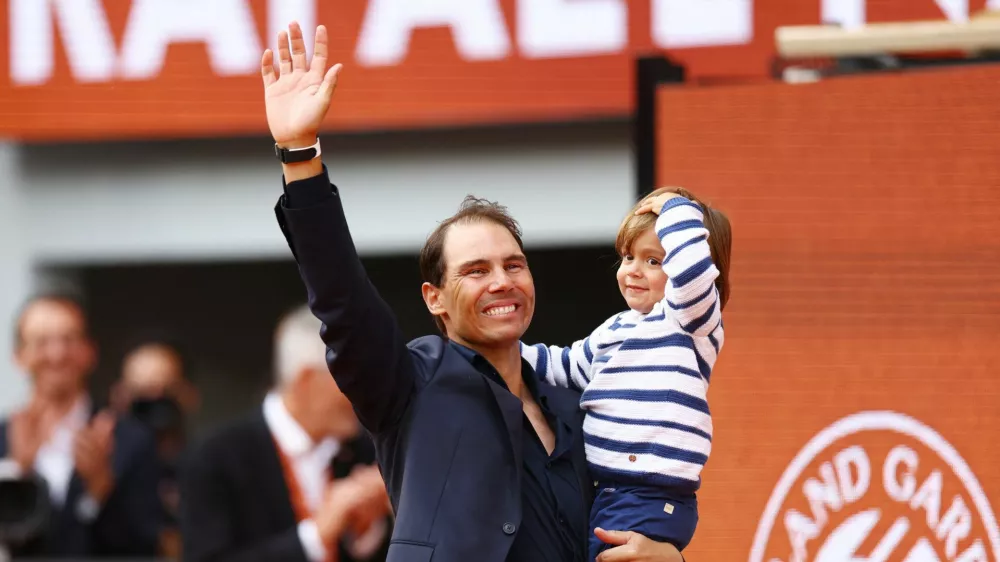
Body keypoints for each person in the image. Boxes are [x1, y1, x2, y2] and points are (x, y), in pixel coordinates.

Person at [263, 21, 685, 562]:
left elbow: (641, 498)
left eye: (514, 265)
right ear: (434, 297)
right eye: (476, 270)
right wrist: (300, 153)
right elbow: (342, 299)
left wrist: (666, 550)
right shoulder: (409, 384)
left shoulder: (576, 398)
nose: (502, 281)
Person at [522, 187, 732, 558]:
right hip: (609, 490)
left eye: (654, 261)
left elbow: (694, 272)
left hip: (652, 496)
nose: (632, 270)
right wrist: (502, 350)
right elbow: (564, 366)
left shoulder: (691, 323)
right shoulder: (615, 328)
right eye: (628, 257)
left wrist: (675, 209)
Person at [179, 305, 392, 562]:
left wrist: (368, 526)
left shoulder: (368, 453)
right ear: (307, 381)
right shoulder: (215, 458)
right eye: (356, 380)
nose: (368, 394)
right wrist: (316, 535)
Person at [0, 294, 161, 557]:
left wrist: (98, 494)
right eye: (41, 342)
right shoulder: (3, 438)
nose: (57, 354)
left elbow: (144, 545)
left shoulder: (129, 440)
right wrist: (17, 473)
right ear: (19, 356)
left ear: (90, 352)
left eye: (69, 340)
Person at [111, 337, 200, 558]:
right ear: (119, 397)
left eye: (166, 393)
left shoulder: (206, 469)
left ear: (189, 395)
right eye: (141, 394)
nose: (154, 405)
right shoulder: (103, 468)